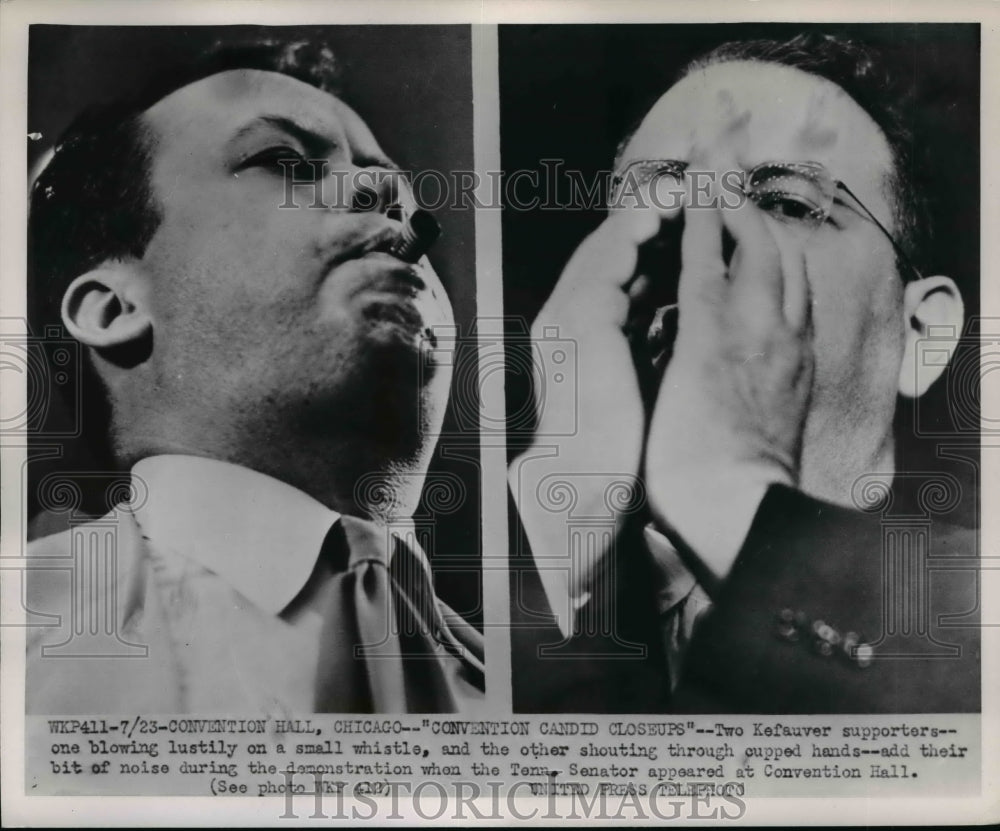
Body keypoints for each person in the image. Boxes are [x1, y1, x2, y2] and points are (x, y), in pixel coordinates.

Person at [511, 33, 980, 713]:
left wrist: (730, 498)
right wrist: (560, 524)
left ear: (920, 333)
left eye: (788, 204)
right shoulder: (446, 593)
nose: (706, 232)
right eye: (663, 202)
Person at [25, 37, 484, 714]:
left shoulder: (561, 691)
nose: (387, 193)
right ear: (115, 307)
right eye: (283, 162)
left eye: (397, 190)